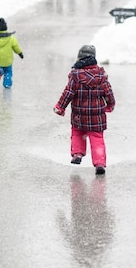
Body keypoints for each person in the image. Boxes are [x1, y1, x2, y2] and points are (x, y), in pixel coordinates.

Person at [54, 45, 115, 175]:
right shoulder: (101, 75)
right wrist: (110, 104)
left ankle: (77, 154)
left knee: (77, 133)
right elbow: (108, 92)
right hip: (96, 116)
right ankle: (99, 163)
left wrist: (60, 107)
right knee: (97, 138)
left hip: (79, 114)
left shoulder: (75, 76)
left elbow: (68, 93)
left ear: (79, 58)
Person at [0, 18, 24, 89]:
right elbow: (15, 46)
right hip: (8, 59)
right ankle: (7, 84)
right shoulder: (10, 38)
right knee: (8, 72)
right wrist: (20, 53)